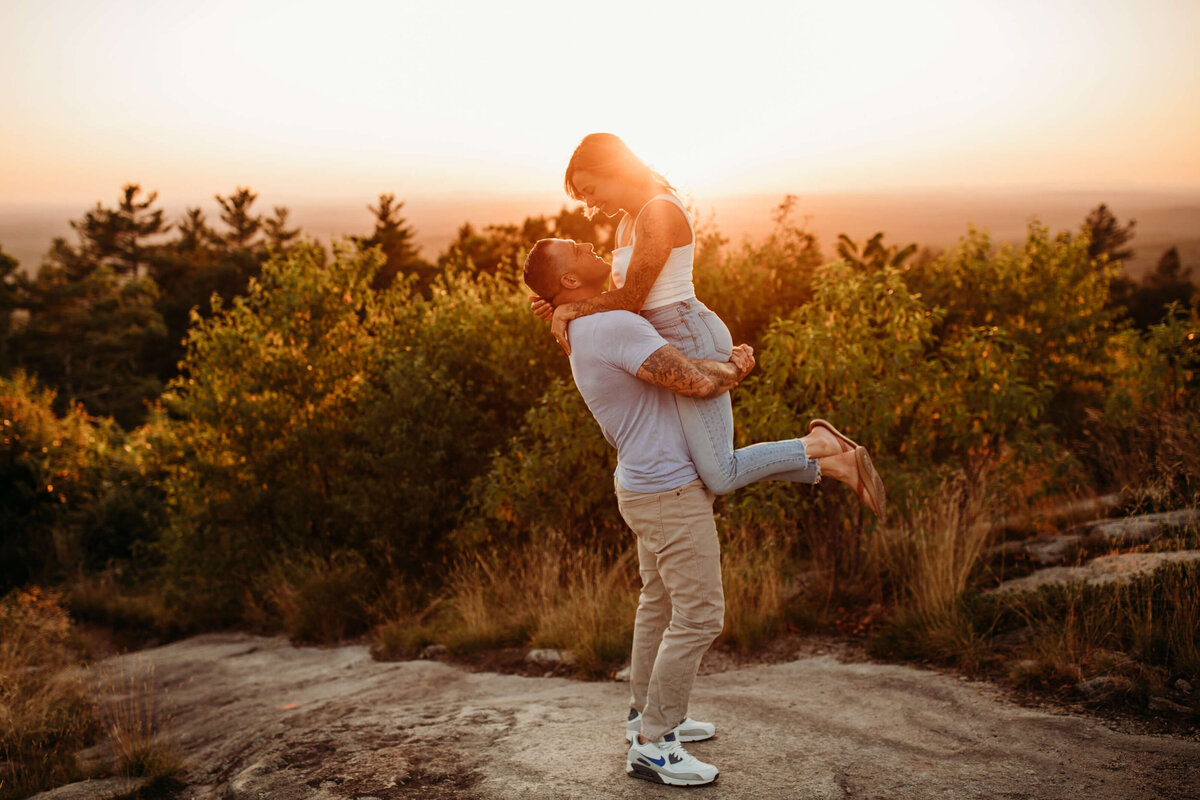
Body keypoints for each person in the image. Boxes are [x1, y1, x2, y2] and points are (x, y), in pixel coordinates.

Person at [523, 237, 886, 786]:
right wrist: (736, 364)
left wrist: (566, 309)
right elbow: (693, 382)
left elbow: (644, 341)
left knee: (659, 603)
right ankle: (653, 745)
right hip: (668, 494)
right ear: (569, 281)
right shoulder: (613, 326)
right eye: (577, 248)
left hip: (644, 484)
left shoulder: (583, 324)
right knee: (700, 616)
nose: (590, 243)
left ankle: (640, 716)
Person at [532, 133, 885, 517]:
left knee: (718, 473)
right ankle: (834, 465)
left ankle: (819, 444)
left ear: (613, 169)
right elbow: (624, 308)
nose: (589, 203)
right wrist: (560, 304)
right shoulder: (628, 224)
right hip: (667, 340)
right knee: (702, 466)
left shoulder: (658, 212)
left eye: (590, 189)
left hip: (689, 332)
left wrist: (573, 307)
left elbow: (632, 297)